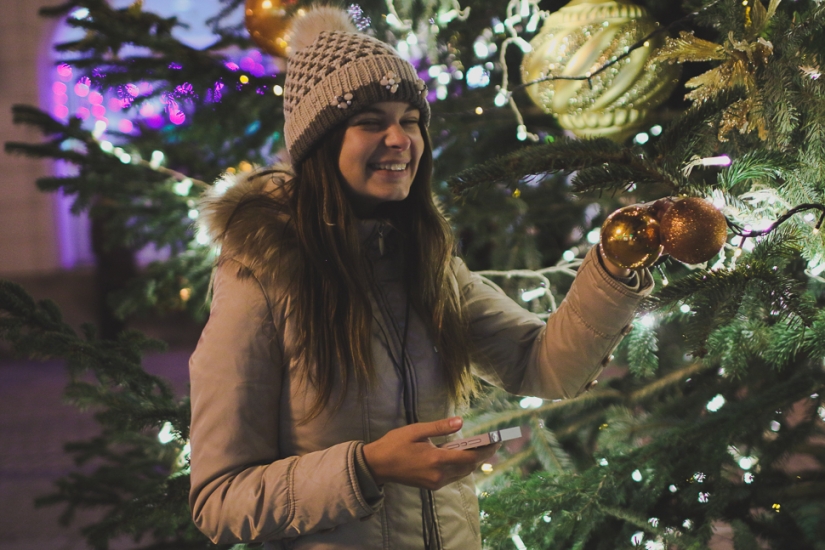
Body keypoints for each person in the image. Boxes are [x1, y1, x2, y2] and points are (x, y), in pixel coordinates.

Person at [188, 6, 653, 550]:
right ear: (319, 144)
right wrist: (364, 469)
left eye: (410, 119)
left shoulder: (424, 257)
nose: (400, 139)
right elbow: (218, 500)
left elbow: (543, 366)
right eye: (370, 122)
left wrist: (617, 266)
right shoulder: (260, 274)